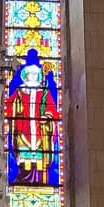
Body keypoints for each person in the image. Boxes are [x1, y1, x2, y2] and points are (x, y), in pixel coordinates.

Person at [7, 48, 62, 186]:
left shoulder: (43, 92)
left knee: (38, 154)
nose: (32, 77)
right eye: (29, 75)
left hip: (39, 129)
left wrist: (47, 116)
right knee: (23, 152)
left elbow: (51, 108)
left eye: (34, 75)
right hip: (23, 127)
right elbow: (8, 105)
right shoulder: (20, 91)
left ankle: (38, 180)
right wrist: (15, 107)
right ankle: (23, 176)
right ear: (25, 77)